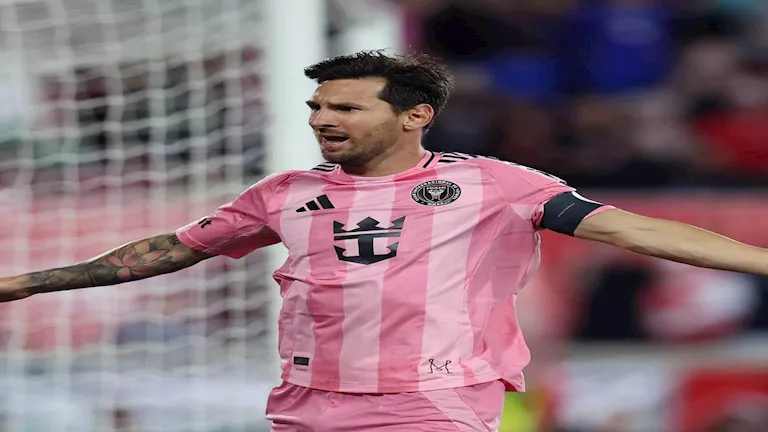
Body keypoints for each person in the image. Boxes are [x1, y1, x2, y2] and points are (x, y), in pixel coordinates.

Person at [1, 50, 767, 432]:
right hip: (308, 403)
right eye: (318, 106)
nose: (323, 120)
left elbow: (631, 227)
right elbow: (171, 249)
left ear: (414, 117)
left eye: (346, 108)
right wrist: (30, 282)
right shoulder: (284, 194)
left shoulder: (493, 184)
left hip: (431, 400)